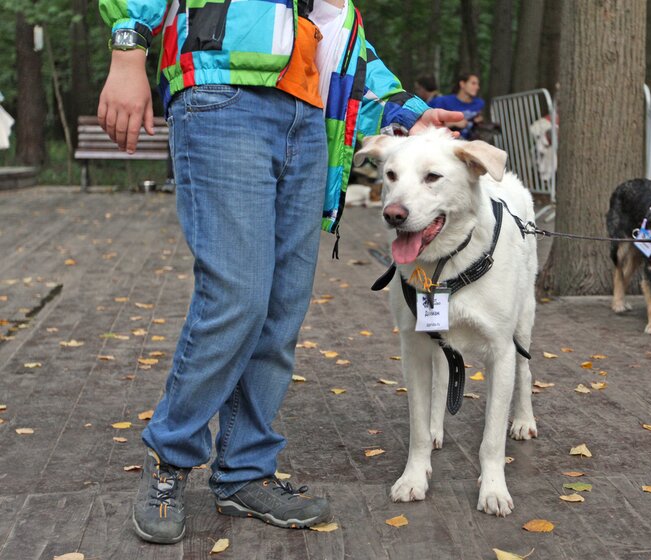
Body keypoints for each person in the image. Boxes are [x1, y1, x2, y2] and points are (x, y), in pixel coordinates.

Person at [97, 0, 463, 545]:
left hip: (309, 117)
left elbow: (346, 51)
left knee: (282, 306)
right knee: (237, 296)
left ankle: (244, 471)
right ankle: (169, 458)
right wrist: (128, 50)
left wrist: (408, 113)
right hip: (223, 97)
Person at [429, 72, 485, 140]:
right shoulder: (443, 101)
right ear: (462, 84)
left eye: (478, 84)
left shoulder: (479, 103)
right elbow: (429, 123)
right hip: (447, 141)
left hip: (470, 141)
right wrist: (453, 123)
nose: (477, 87)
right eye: (473, 83)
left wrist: (478, 121)